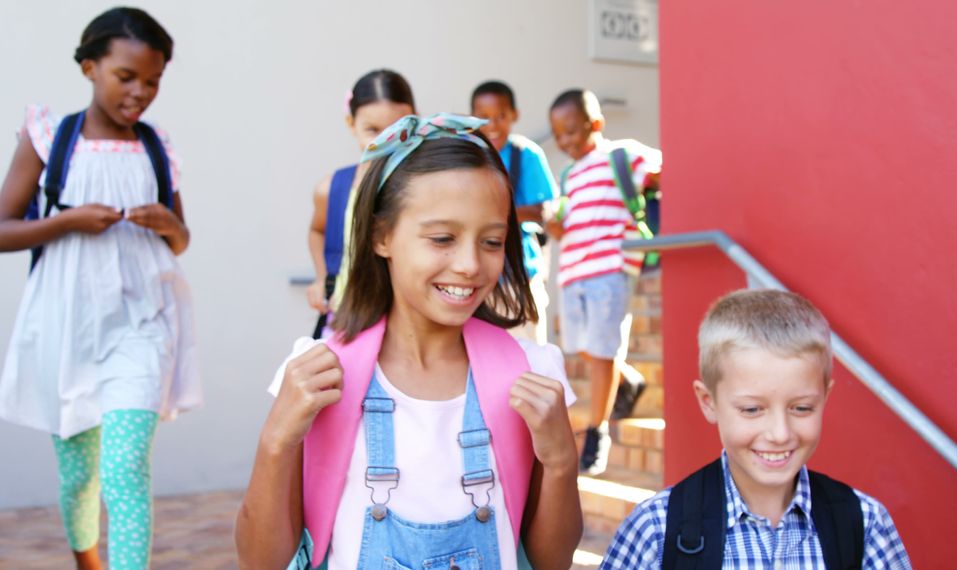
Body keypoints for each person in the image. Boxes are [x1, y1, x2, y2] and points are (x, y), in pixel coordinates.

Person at [236, 114, 583, 569]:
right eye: (442, 238)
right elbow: (260, 562)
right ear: (382, 236)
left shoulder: (531, 373)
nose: (469, 265)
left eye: (492, 241)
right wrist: (276, 439)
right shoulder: (319, 373)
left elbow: (551, 559)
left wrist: (560, 461)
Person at [0, 7, 199, 569]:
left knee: (125, 469)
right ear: (90, 67)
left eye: (153, 81)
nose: (140, 92)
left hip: (142, 326)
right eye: (126, 77)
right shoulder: (49, 138)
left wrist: (168, 226)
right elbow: (3, 229)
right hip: (67, 327)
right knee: (79, 477)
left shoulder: (157, 147)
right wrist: (66, 221)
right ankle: (88, 561)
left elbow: (181, 239)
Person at [601, 289, 912, 569]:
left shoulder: (865, 525)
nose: (780, 433)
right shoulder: (656, 531)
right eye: (752, 409)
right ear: (708, 402)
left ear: (824, 398)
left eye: (801, 408)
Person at [546, 88, 661, 474]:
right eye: (558, 135)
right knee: (584, 348)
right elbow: (567, 226)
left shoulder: (622, 155)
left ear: (595, 124)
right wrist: (555, 226)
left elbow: (661, 171)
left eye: (572, 132)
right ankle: (626, 380)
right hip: (573, 272)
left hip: (610, 268)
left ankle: (598, 432)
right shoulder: (570, 174)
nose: (564, 142)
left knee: (602, 350)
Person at [306, 69, 416, 337]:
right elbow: (317, 230)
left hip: (408, 328)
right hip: (347, 323)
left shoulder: (424, 189)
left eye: (397, 130)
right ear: (350, 123)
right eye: (373, 130)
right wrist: (322, 278)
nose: (385, 142)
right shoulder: (332, 188)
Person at [470, 80, 558, 343]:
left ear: (514, 115)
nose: (493, 124)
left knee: (528, 350)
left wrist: (492, 217)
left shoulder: (525, 155)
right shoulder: (468, 155)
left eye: (501, 116)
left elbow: (542, 211)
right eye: (484, 117)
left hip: (519, 275)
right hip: (476, 275)